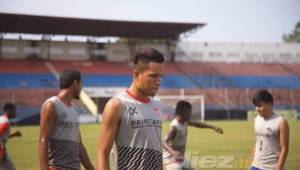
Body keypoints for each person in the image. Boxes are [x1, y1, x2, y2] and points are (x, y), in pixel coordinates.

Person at [97, 48, 165, 170]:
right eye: (153, 76)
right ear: (136, 75)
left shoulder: (158, 104)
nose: (158, 82)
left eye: (161, 76)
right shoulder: (117, 105)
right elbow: (102, 153)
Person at [39, 69, 94, 170]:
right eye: (81, 84)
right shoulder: (52, 105)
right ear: (75, 83)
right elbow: (43, 141)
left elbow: (79, 146)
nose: (81, 88)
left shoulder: (73, 110)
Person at [163, 100, 223, 170]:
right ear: (182, 112)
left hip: (180, 159)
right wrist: (173, 152)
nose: (190, 114)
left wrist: (213, 127)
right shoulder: (174, 127)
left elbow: (197, 124)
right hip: (171, 160)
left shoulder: (184, 122)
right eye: (189, 112)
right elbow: (163, 142)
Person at [249, 90, 289, 170]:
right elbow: (258, 141)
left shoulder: (281, 122)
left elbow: (284, 148)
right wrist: (251, 162)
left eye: (260, 106)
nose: (257, 109)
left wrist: (278, 168)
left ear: (270, 104)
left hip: (272, 167)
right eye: (256, 106)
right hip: (256, 165)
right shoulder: (256, 119)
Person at [0, 103, 22, 170]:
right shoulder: (5, 122)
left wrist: (14, 135)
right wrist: (1, 151)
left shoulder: (2, 119)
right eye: (14, 110)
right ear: (8, 110)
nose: (15, 112)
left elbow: (2, 136)